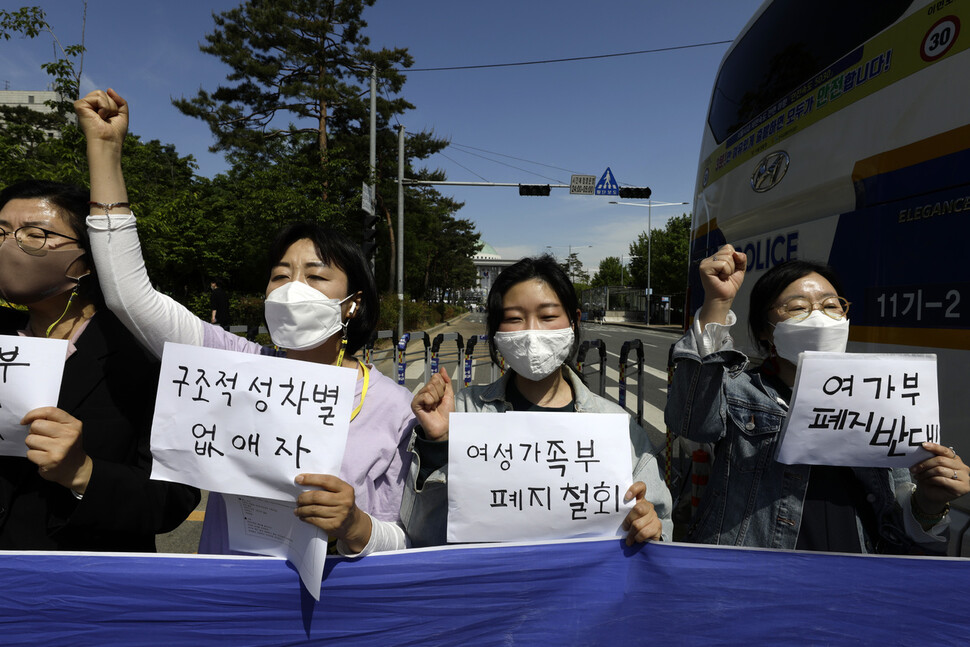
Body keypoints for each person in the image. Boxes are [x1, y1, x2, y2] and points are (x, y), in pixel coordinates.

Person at [76, 88, 415, 556]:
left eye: (316, 276)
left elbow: (404, 538)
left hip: (338, 612)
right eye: (281, 275)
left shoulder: (393, 405)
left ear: (353, 303)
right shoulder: (233, 365)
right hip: (230, 604)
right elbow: (128, 296)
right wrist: (106, 153)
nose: (293, 289)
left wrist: (356, 526)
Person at [665, 246, 969, 553]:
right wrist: (717, 304)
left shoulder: (886, 397)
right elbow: (689, 421)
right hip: (757, 577)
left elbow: (898, 526)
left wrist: (929, 502)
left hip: (853, 584)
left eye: (831, 306)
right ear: (765, 331)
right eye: (798, 308)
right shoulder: (739, 390)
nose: (820, 317)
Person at [403, 255, 672, 547]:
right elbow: (418, 535)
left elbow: (662, 532)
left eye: (547, 316)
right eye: (514, 318)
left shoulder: (617, 428)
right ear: (496, 331)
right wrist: (438, 444)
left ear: (574, 321)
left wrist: (651, 529)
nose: (532, 332)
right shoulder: (463, 413)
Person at [0, 179, 200, 551]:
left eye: (33, 234)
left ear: (89, 259)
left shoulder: (146, 354)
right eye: (1, 232)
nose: (10, 245)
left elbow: (174, 498)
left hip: (83, 585)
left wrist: (83, 473)